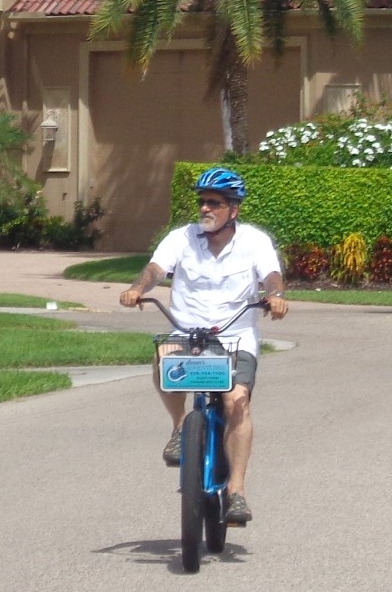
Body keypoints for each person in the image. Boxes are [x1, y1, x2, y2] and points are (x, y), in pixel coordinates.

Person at [119, 167, 288, 524]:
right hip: (187, 332)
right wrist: (138, 288)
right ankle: (181, 427)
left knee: (236, 403)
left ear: (234, 210)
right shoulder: (181, 238)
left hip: (235, 336)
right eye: (202, 202)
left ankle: (237, 492)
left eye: (214, 203)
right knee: (162, 358)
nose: (205, 209)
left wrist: (275, 296)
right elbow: (155, 269)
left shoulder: (254, 241)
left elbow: (271, 275)